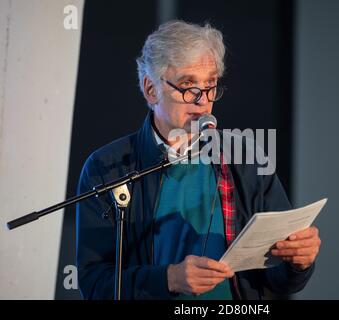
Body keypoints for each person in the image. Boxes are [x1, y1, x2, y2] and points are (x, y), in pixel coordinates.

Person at [76, 20, 321, 300]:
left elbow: (277, 281)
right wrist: (167, 279)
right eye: (187, 85)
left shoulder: (246, 158)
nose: (202, 101)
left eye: (210, 85)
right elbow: (94, 284)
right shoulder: (107, 168)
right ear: (150, 89)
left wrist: (299, 262)